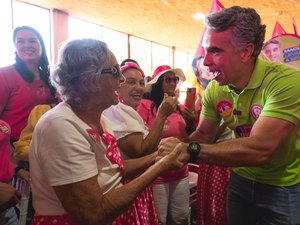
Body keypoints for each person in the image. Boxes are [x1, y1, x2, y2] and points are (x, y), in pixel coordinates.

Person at [158, 6, 300, 225]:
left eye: (215, 50)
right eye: (206, 51)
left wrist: (189, 149)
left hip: (283, 185)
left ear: (245, 52)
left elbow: (260, 149)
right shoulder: (216, 89)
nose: (205, 62)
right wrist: (173, 146)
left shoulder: (286, 82)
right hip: (240, 180)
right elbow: (204, 134)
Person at [28, 38, 185, 225]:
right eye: (114, 72)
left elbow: (113, 171)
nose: (120, 79)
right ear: (91, 81)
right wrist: (160, 166)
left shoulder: (99, 117)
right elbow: (92, 215)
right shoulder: (60, 126)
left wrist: (158, 157)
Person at [101, 60, 178, 224]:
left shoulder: (127, 110)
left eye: (141, 82)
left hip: (138, 183)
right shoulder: (116, 110)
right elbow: (142, 150)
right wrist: (162, 115)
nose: (138, 87)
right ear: (118, 85)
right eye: (130, 82)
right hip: (127, 186)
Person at [0, 25, 56, 225]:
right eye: (20, 41)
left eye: (32, 40)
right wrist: (14, 166)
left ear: (41, 45)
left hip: (43, 154)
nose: (26, 45)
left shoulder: (50, 80)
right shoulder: (4, 76)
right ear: (14, 46)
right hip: (12, 158)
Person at [137, 65, 195, 225]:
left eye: (175, 79)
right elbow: (142, 141)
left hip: (180, 170)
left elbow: (189, 140)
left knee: (181, 217)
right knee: (159, 219)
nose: (172, 83)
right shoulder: (145, 106)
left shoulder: (181, 109)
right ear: (158, 83)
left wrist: (191, 124)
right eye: (167, 79)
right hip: (156, 172)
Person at [191, 55, 231, 225]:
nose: (207, 70)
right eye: (202, 70)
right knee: (213, 209)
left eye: (208, 67)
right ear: (198, 75)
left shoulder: (224, 90)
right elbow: (204, 134)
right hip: (211, 159)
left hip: (233, 159)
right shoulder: (209, 94)